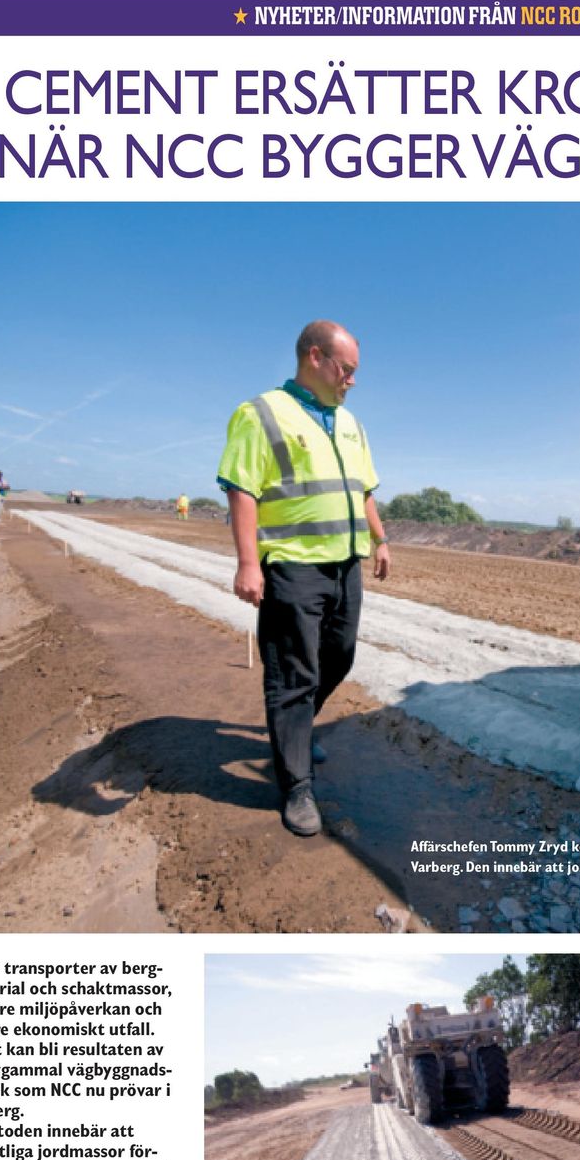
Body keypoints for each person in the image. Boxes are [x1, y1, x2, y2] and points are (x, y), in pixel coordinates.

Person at [217, 320, 391, 836]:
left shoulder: (351, 423)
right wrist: (249, 562)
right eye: (348, 369)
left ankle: (291, 731)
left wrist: (380, 539)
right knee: (294, 675)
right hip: (292, 565)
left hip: (345, 562)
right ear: (315, 357)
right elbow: (241, 489)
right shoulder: (262, 413)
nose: (352, 380)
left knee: (339, 654)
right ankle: (297, 785)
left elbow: (364, 489)